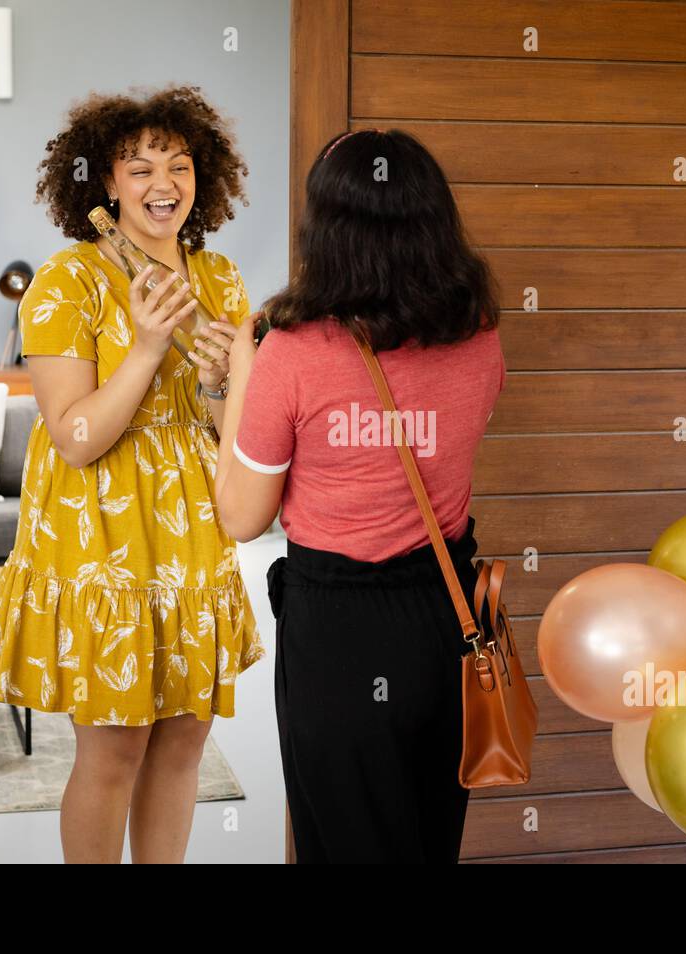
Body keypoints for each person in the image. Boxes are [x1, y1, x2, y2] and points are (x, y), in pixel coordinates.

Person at [0, 86, 265, 863]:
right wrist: (144, 347)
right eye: (139, 168)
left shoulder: (222, 278)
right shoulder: (66, 282)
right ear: (104, 182)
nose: (164, 183)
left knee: (183, 749)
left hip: (191, 530)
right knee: (114, 752)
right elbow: (74, 439)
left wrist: (217, 380)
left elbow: (216, 425)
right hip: (98, 535)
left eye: (180, 164)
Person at [211, 128, 506, 863]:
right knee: (427, 841)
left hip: (341, 635)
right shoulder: (480, 334)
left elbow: (242, 516)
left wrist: (240, 373)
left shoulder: (292, 351)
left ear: (327, 231)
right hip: (447, 614)